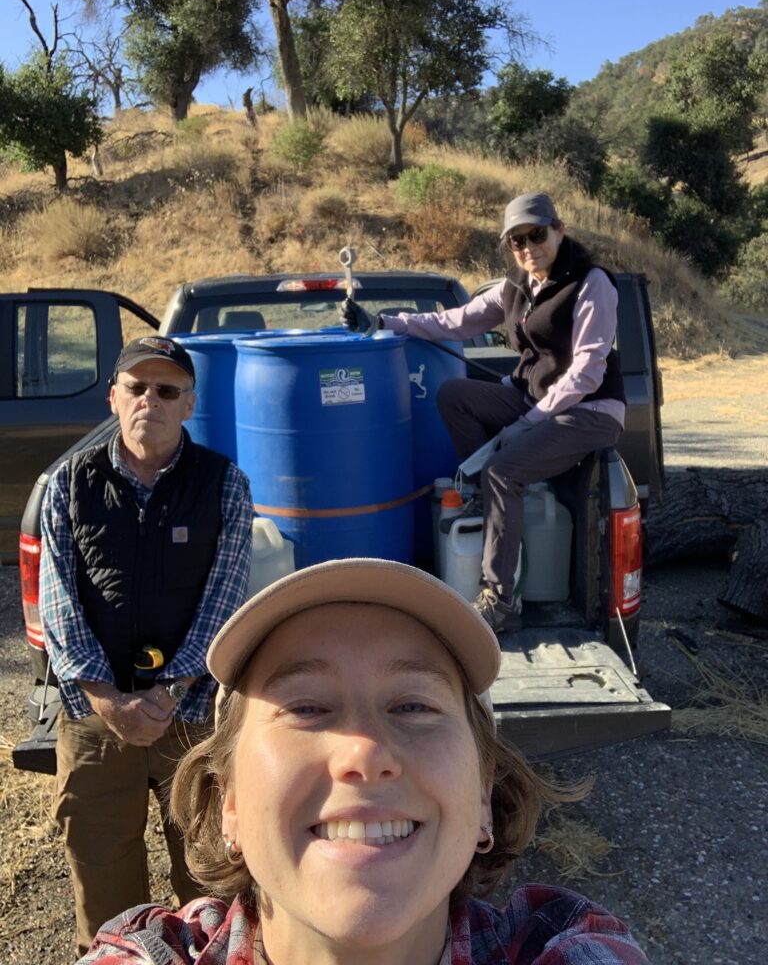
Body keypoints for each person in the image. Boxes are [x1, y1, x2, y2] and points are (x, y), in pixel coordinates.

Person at [76, 557, 650, 965]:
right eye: (306, 707)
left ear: (482, 796)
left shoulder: (562, 947)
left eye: (413, 705)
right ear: (229, 803)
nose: (365, 754)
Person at [40, 335, 254, 957]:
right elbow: (56, 601)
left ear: (189, 404)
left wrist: (169, 690)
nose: (149, 401)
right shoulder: (67, 483)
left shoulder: (224, 485)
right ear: (113, 396)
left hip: (189, 715)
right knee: (102, 872)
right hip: (93, 715)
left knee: (209, 866)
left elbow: (224, 599)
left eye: (167, 391)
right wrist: (106, 698)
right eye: (136, 388)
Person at [341, 192, 625, 634]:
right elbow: (456, 322)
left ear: (559, 230)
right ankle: (489, 503)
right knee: (456, 394)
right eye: (517, 241)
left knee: (503, 471)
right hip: (534, 401)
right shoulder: (514, 286)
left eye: (537, 234)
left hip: (590, 410)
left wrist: (527, 424)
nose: (528, 247)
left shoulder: (591, 283)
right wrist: (384, 322)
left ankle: (500, 600)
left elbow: (588, 372)